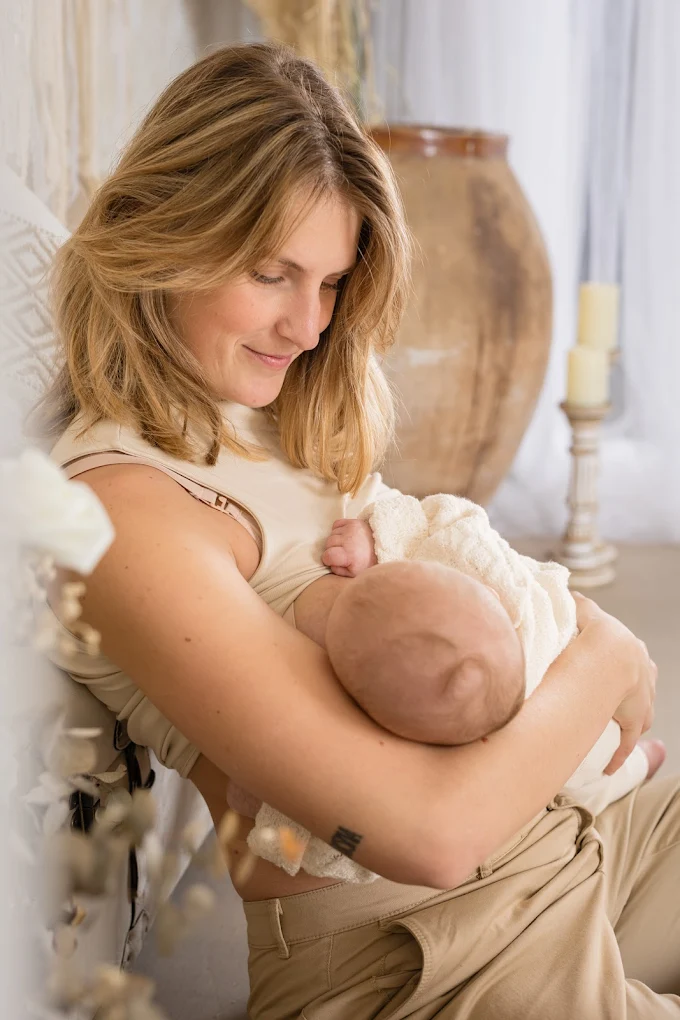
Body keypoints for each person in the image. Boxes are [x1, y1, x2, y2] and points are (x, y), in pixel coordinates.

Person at [37, 41, 678, 1018]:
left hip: (566, 835)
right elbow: (428, 833)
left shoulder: (261, 410)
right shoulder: (127, 516)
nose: (307, 326)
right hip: (417, 946)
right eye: (271, 274)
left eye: (330, 283)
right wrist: (603, 652)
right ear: (162, 234)